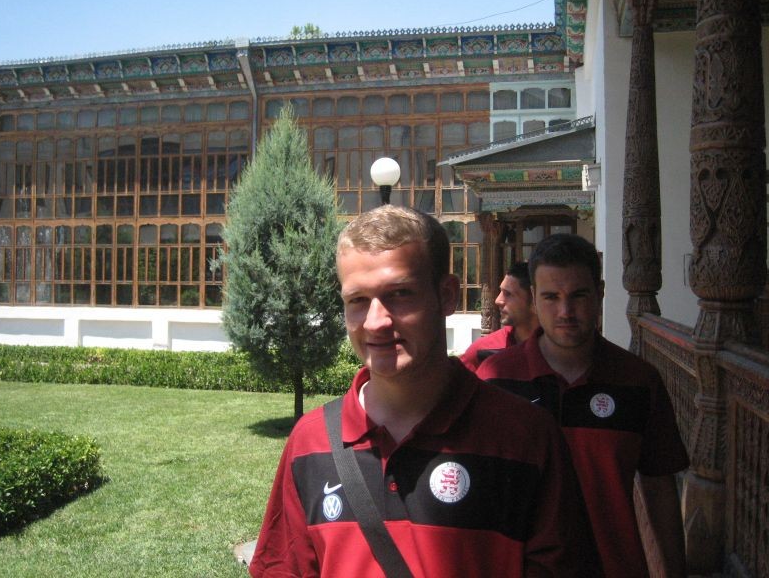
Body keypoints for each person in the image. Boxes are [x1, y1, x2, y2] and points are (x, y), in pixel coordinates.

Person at [250, 206, 599, 577]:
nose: (375, 322)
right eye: (358, 301)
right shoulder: (310, 442)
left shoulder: (526, 437)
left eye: (400, 294)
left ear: (446, 295)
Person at [476, 233, 689, 578]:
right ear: (534, 299)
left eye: (578, 295)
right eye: (551, 297)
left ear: (600, 293)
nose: (565, 312)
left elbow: (659, 489)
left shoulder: (638, 381)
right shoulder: (496, 380)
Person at [460, 261, 540, 372]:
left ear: (534, 300)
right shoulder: (483, 350)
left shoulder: (557, 351)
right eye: (500, 291)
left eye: (508, 294)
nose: (498, 300)